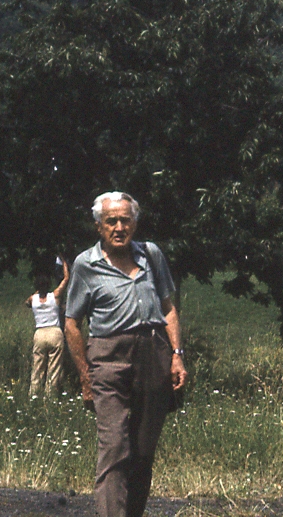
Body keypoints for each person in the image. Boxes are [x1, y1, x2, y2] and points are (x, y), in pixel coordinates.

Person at [64, 191, 187, 517]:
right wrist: (85, 375)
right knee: (115, 448)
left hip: (153, 354)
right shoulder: (85, 265)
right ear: (98, 226)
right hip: (108, 357)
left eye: (125, 220)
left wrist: (176, 354)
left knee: (143, 452)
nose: (119, 227)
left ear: (134, 222)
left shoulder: (151, 255)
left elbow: (168, 309)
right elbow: (72, 324)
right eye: (111, 221)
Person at [24, 256, 69, 397]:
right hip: (55, 332)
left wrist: (37, 291)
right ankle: (51, 396)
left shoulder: (33, 299)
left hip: (39, 333)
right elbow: (65, 280)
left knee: (37, 367)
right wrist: (65, 263)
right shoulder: (54, 296)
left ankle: (34, 394)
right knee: (54, 368)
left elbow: (26, 303)